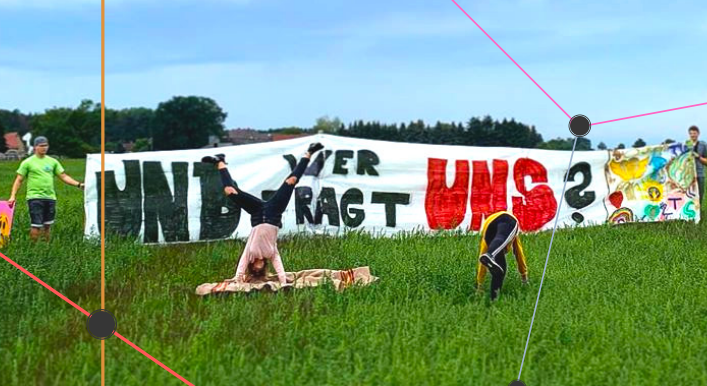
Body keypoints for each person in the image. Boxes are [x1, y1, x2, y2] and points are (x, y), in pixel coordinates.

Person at [201, 142, 324, 285]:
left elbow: (242, 262)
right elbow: (278, 264)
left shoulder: (251, 253)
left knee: (230, 191)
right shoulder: (270, 253)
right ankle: (309, 152)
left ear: (252, 266)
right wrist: (283, 281)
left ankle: (220, 162)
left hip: (257, 212)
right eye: (261, 268)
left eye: (255, 268)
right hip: (274, 212)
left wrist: (238, 278)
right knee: (291, 181)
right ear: (264, 266)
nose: (258, 266)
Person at [8, 136, 85, 242]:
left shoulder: (53, 162)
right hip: (35, 198)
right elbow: (19, 180)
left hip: (50, 197)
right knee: (36, 225)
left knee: (48, 225)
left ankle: (46, 246)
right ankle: (33, 247)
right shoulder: (28, 162)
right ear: (35, 147)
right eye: (41, 146)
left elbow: (63, 176)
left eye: (46, 145)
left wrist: (79, 184)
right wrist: (12, 196)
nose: (44, 148)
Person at [475, 210, 528, 301]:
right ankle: (490, 255)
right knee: (501, 237)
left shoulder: (486, 243)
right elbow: (519, 253)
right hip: (507, 219)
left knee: (500, 270)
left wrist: (480, 284)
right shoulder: (513, 235)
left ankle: (494, 299)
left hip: (488, 227)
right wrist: (524, 276)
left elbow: (482, 259)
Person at [688, 125, 707, 203]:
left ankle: (700, 213)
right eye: (691, 133)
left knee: (700, 194)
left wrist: (698, 157)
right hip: (688, 175)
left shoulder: (703, 145)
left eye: (694, 133)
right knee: (688, 196)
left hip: (700, 174)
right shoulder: (686, 145)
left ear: (698, 134)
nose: (693, 135)